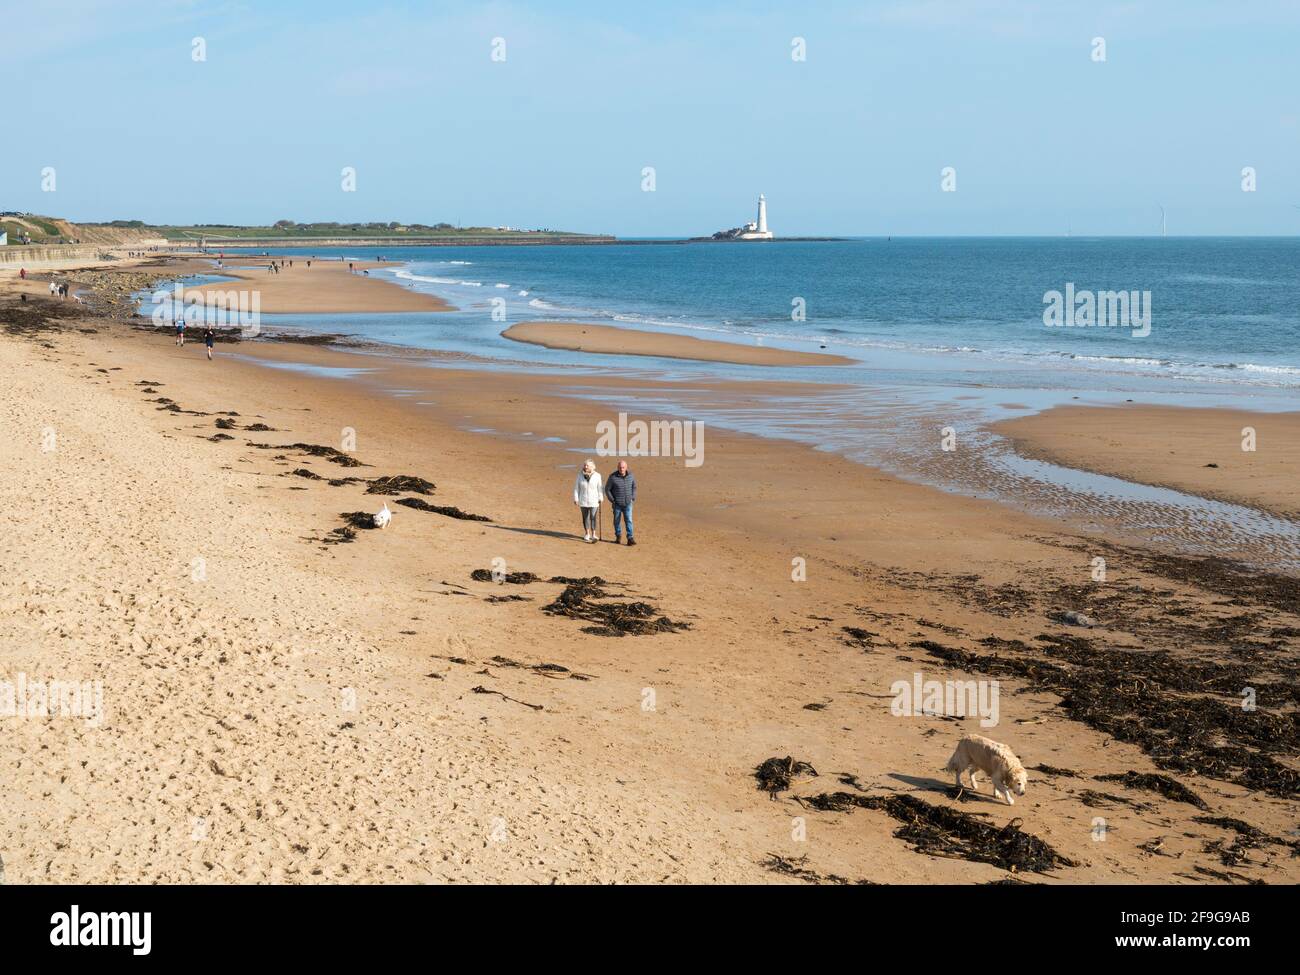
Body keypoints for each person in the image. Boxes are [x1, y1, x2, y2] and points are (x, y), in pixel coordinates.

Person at [604, 459, 637, 545]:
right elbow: (607, 489)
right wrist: (612, 500)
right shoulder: (612, 477)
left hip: (628, 503)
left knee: (629, 520)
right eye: (620, 467)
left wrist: (633, 497)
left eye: (623, 467)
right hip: (617, 504)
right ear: (617, 468)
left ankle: (630, 538)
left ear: (626, 468)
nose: (621, 469)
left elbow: (634, 487)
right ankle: (618, 536)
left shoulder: (631, 476)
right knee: (616, 521)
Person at [572, 459, 603, 543]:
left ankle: (593, 534)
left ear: (592, 467)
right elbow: (576, 488)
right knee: (585, 518)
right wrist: (576, 498)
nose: (585, 467)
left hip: (594, 501)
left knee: (593, 517)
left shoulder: (597, 475)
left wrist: (601, 497)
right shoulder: (580, 475)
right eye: (584, 465)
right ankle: (587, 533)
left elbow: (600, 488)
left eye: (587, 465)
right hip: (583, 500)